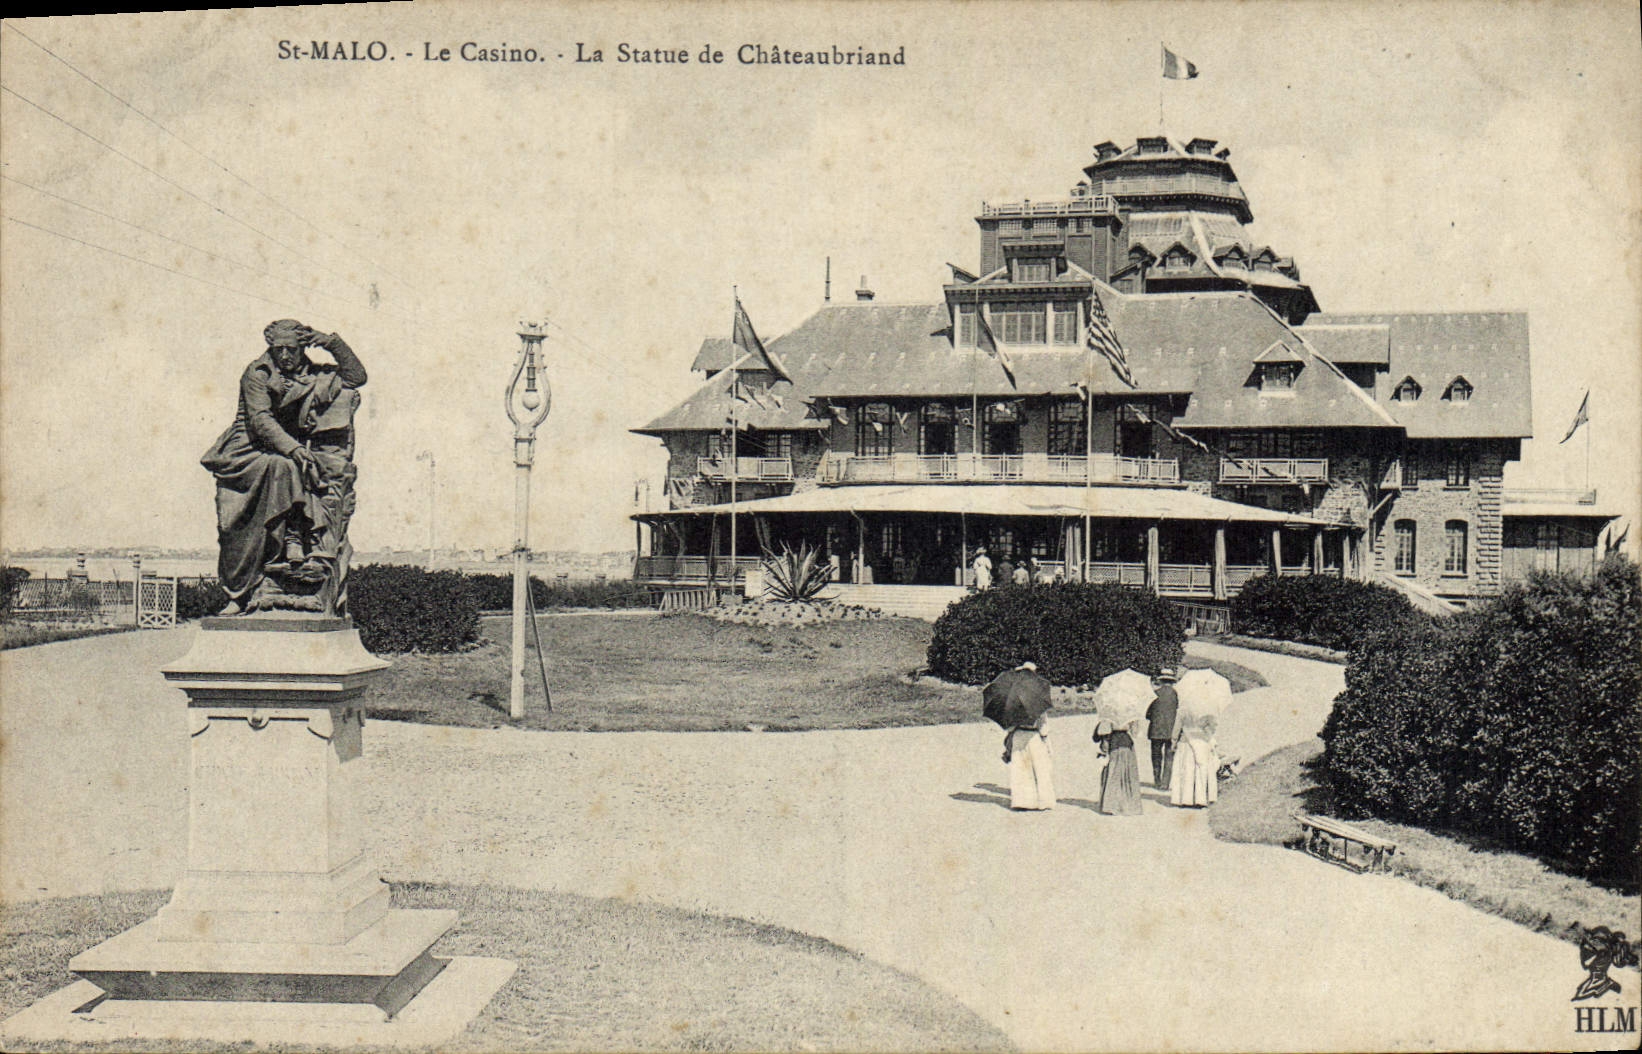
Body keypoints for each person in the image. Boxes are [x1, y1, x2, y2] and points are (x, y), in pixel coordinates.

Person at [201, 319, 366, 614]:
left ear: (303, 348)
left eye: (291, 349)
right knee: (235, 524)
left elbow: (356, 376)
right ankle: (241, 593)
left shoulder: (314, 375)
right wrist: (294, 449)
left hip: (286, 455)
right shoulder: (257, 373)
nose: (285, 356)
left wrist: (329, 342)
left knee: (288, 468)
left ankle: (290, 551)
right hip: (246, 451)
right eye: (278, 350)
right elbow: (260, 421)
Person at [999, 663, 1054, 810]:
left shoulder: (1012, 698)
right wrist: (1045, 737)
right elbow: (1043, 726)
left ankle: (1022, 801)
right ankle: (1043, 801)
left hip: (1018, 736)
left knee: (1020, 768)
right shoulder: (1037, 698)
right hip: (1034, 737)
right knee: (1040, 768)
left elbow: (1009, 726)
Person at [1095, 714, 1143, 815]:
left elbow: (1103, 731)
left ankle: (1111, 804)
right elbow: (1135, 733)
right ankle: (1129, 803)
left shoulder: (1110, 711)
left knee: (1113, 773)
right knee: (1127, 773)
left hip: (1114, 742)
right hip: (1127, 742)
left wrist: (1104, 748)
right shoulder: (1131, 711)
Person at [1170, 712, 1220, 807]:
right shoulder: (1209, 708)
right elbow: (1213, 728)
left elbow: (1177, 728)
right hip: (1202, 742)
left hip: (1186, 743)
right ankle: (1200, 799)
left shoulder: (1183, 709)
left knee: (1186, 771)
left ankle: (1185, 799)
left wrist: (1174, 740)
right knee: (1200, 771)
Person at [1146, 667, 1180, 790]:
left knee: (1156, 756)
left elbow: (1147, 714)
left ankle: (1157, 780)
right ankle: (1166, 782)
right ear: (1172, 681)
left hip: (1155, 730)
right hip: (1171, 730)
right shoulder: (1176, 694)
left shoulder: (1154, 694)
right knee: (1169, 756)